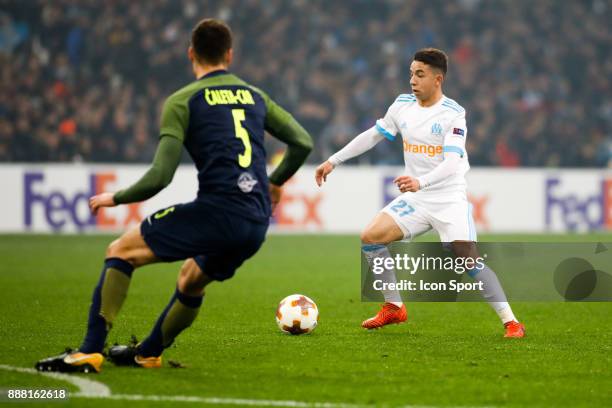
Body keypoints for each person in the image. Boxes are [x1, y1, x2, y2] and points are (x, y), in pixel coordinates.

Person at [36, 18, 313, 373]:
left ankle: (89, 351)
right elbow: (303, 142)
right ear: (229, 54)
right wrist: (276, 182)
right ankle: (148, 353)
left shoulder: (184, 100)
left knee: (120, 251)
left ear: (190, 54)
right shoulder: (255, 96)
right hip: (256, 221)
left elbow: (160, 176)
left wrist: (116, 197)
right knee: (191, 279)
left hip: (217, 211)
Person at [315, 48, 524, 338]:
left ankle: (512, 322)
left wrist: (421, 182)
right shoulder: (402, 105)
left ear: (437, 79)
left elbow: (452, 163)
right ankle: (394, 307)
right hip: (417, 199)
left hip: (448, 198)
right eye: (411, 73)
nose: (412, 80)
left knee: (467, 258)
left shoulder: (453, 114)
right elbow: (373, 135)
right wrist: (332, 160)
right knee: (371, 237)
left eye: (420, 74)